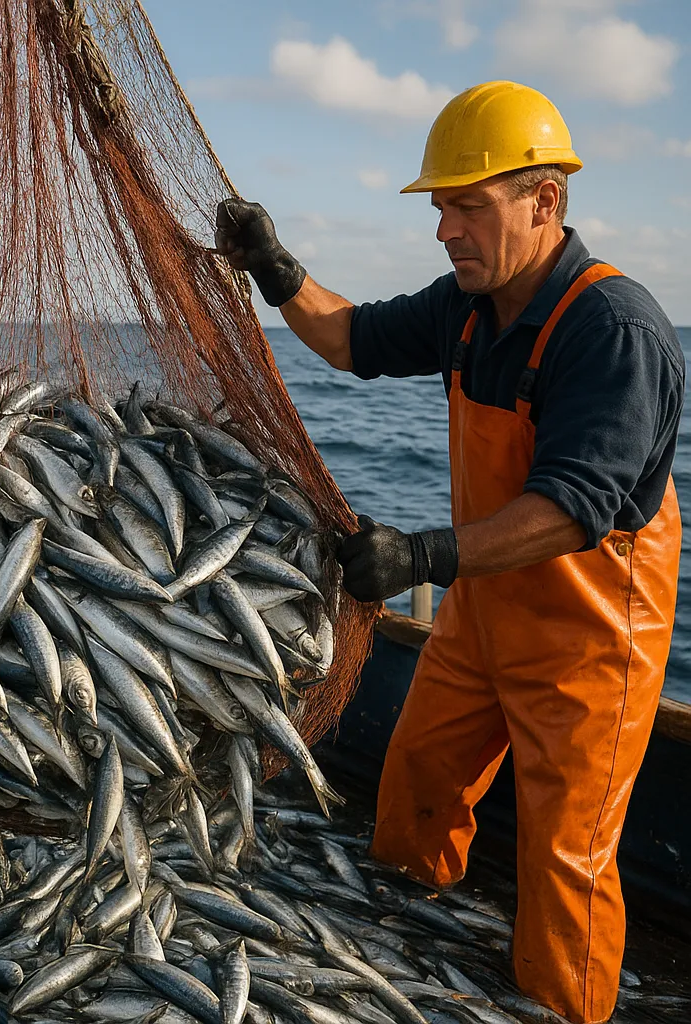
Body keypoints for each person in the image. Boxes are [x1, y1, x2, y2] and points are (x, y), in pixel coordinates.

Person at [214, 81, 683, 1024]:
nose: (444, 230)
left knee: (566, 863)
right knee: (415, 787)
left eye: (467, 205)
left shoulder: (611, 328)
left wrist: (421, 556)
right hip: (481, 613)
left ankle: (566, 1009)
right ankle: (410, 954)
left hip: (591, 641)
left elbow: (572, 508)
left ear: (545, 200)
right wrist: (273, 266)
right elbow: (347, 339)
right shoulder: (465, 307)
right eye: (439, 207)